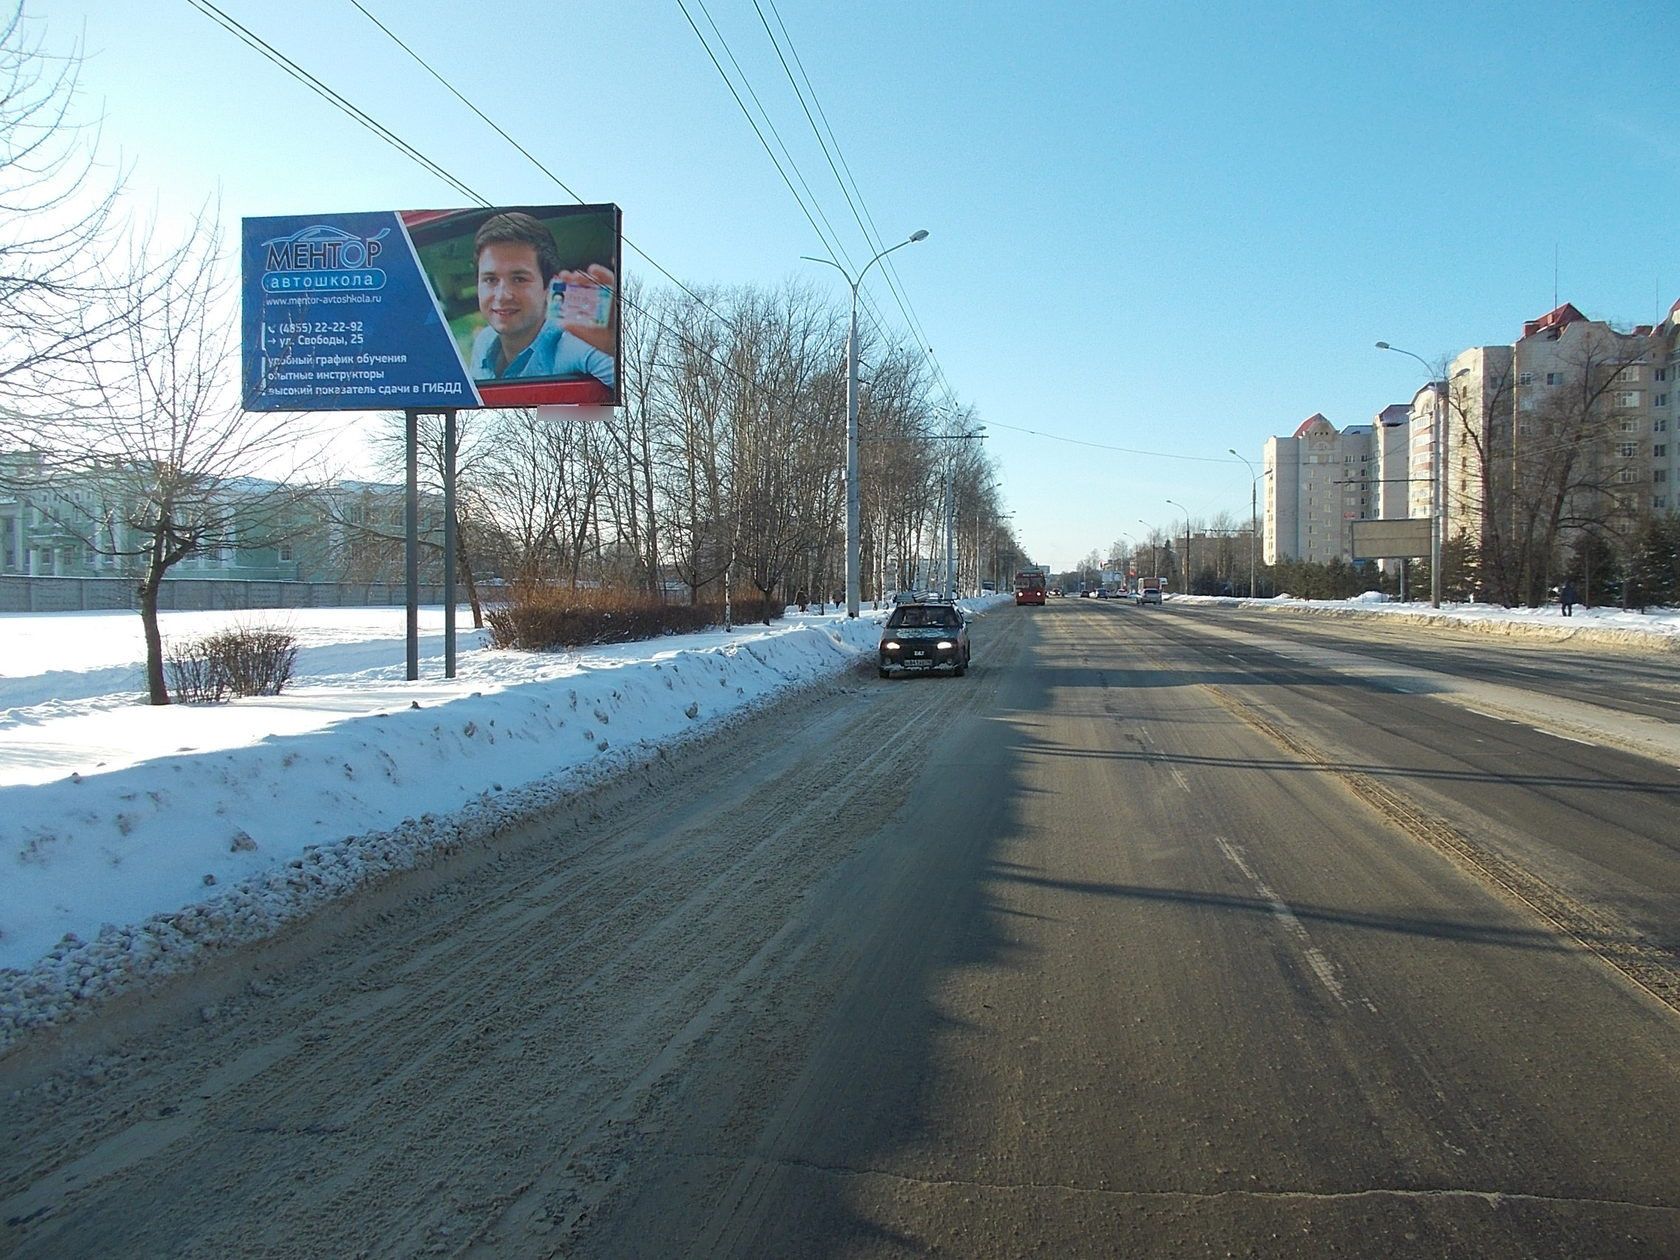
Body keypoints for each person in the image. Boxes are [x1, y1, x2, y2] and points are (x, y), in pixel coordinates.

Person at [467, 212, 616, 388]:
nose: (501, 295)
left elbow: (632, 388)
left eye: (519, 279)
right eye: (490, 279)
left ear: (549, 286)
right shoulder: (484, 341)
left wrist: (617, 346)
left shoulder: (576, 342)